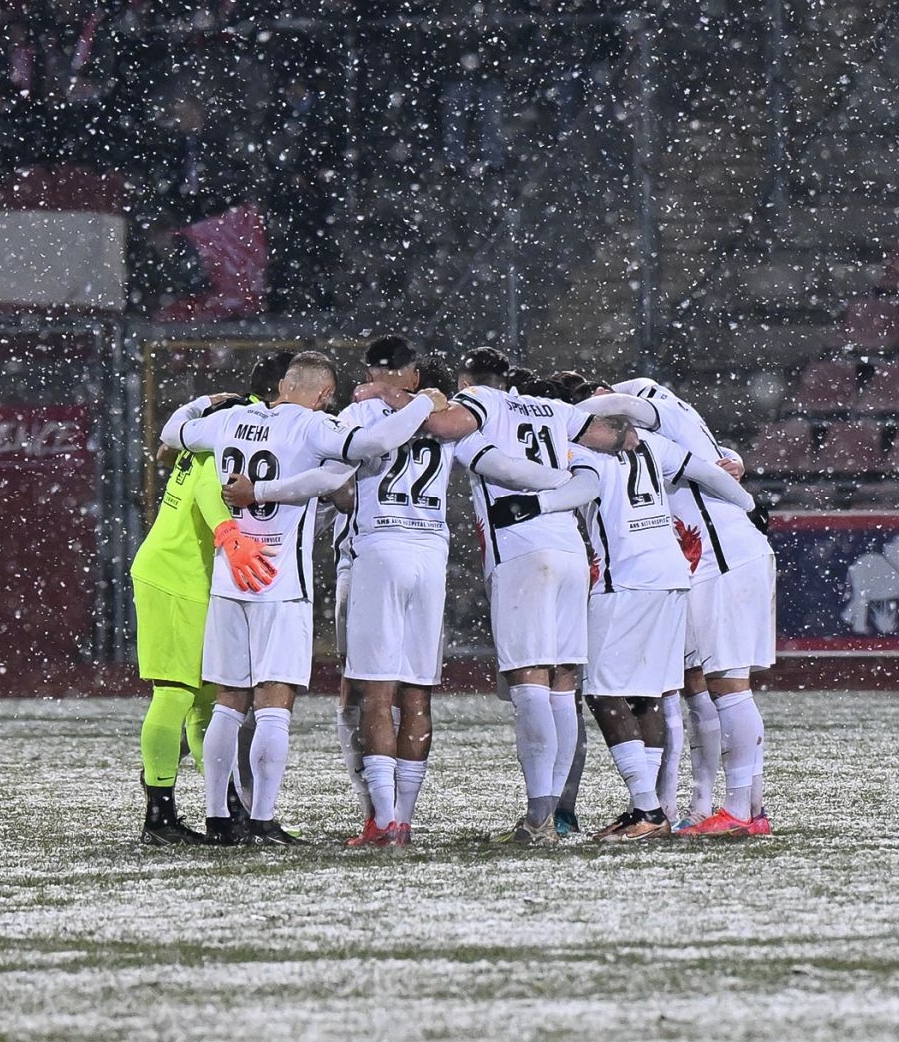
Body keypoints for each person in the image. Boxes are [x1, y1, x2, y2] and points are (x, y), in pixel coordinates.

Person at [162, 351, 441, 843]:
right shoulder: (312, 427)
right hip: (279, 583)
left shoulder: (229, 419)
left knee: (228, 702)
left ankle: (218, 817)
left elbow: (173, 430)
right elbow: (374, 441)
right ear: (321, 394)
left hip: (230, 579)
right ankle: (264, 819)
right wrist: (423, 406)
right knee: (274, 705)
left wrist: (203, 400)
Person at [342, 341, 600, 846]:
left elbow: (343, 467)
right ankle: (551, 812)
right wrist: (556, 485)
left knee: (376, 690)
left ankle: (387, 820)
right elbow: (549, 466)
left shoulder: (375, 411)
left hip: (391, 545)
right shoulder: (523, 417)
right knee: (424, 692)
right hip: (448, 551)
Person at [421, 346, 626, 844]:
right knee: (560, 682)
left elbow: (485, 458)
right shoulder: (556, 412)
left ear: (470, 382)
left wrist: (424, 402)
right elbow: (613, 446)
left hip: (522, 551)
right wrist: (563, 478)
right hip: (571, 552)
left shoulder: (478, 407)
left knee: (529, 679)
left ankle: (538, 819)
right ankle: (552, 815)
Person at [128, 351, 293, 844]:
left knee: (205, 703)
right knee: (175, 694)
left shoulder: (214, 431)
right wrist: (229, 535)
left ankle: (227, 808)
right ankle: (158, 815)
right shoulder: (224, 444)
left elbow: (167, 450)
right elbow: (206, 493)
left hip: (192, 579)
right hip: (174, 577)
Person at [572, 424, 756, 840]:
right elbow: (708, 462)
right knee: (654, 691)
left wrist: (538, 503)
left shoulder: (580, 446)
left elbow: (575, 488)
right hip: (671, 571)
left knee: (603, 691)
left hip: (626, 578)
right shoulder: (651, 439)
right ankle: (659, 806)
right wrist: (746, 499)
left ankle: (651, 808)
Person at [611, 378, 777, 837]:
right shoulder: (678, 428)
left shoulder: (647, 404)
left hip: (723, 558)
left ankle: (740, 812)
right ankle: (737, 808)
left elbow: (630, 402)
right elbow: (714, 453)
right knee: (713, 686)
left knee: (728, 686)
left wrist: (574, 411)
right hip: (713, 558)